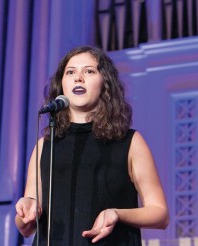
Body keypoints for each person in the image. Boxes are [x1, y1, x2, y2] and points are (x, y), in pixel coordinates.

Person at [15, 46, 169, 245]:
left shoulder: (130, 142)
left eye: (89, 71)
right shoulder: (45, 146)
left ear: (104, 83)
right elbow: (26, 227)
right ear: (62, 84)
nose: (78, 78)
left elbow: (160, 214)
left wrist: (117, 214)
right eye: (70, 72)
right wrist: (24, 209)